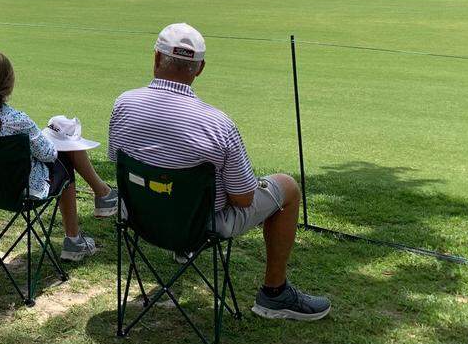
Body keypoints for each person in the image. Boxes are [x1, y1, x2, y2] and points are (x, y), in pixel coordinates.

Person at [108, 23, 331, 321]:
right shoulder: (218, 125)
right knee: (287, 187)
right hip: (199, 226)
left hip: (140, 219)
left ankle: (183, 245)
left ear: (156, 59)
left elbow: (119, 165)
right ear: (199, 69)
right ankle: (274, 295)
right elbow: (242, 199)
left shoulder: (123, 105)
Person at [0, 51, 117, 262]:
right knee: (66, 157)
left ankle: (102, 195)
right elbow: (50, 155)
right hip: (19, 192)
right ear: (10, 83)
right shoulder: (18, 120)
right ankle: (76, 237)